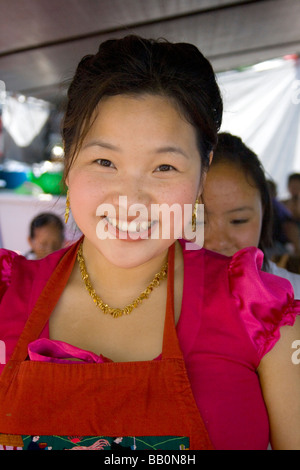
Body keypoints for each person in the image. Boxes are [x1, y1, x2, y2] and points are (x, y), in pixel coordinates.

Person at [0, 36, 299, 451]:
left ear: (203, 173)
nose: (132, 201)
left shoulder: (263, 314)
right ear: (69, 162)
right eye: (105, 161)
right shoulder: (5, 296)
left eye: (164, 166)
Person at [203, 132, 300, 299]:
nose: (218, 243)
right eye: (197, 222)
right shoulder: (153, 304)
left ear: (263, 212)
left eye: (238, 220)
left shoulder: (294, 297)